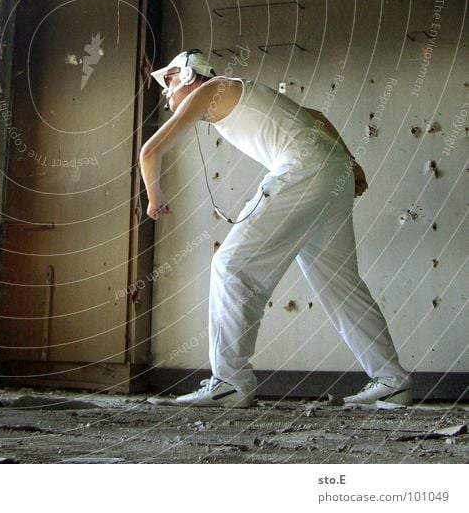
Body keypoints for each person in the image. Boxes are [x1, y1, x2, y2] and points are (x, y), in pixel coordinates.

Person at [140, 49, 412, 408]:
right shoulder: (236, 94)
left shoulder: (213, 89)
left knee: (230, 265)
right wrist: (351, 164)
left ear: (190, 76)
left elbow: (150, 150)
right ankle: (392, 379)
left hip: (302, 168)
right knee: (338, 283)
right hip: (331, 170)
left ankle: (230, 382)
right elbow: (317, 116)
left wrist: (154, 195)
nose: (165, 91)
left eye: (170, 80)